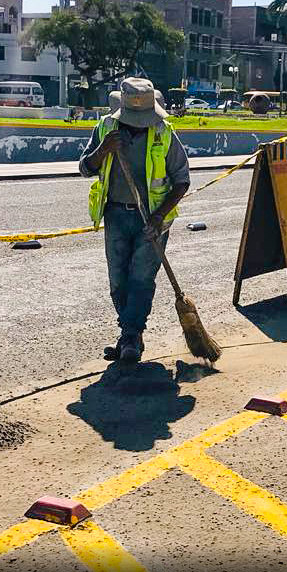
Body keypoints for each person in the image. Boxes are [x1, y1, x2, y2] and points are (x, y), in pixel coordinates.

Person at [79, 77, 190, 363]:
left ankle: (130, 336)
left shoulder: (163, 133)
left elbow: (182, 181)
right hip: (116, 214)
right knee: (118, 280)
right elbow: (84, 168)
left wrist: (158, 215)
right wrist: (103, 149)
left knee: (141, 278)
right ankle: (130, 333)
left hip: (152, 221)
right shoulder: (106, 129)